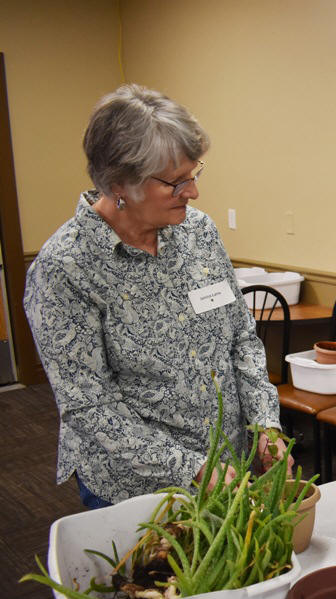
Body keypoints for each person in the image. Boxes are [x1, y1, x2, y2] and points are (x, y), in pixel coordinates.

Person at [24, 84, 287, 509]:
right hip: (139, 490)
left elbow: (241, 337)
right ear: (118, 184)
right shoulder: (65, 268)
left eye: (194, 175)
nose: (193, 192)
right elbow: (89, 405)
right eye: (175, 182)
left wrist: (265, 423)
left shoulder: (198, 232)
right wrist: (191, 467)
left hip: (227, 466)